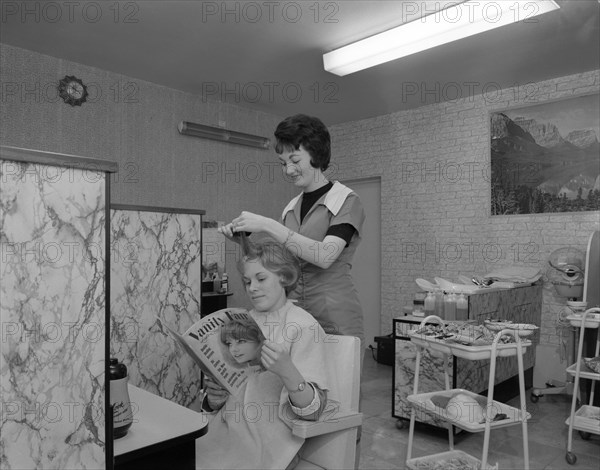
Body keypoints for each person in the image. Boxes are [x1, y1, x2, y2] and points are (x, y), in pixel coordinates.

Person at [219, 113, 366, 347]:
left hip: (334, 311)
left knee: (335, 382)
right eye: (283, 163)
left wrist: (268, 224)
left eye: (295, 161)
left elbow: (324, 256)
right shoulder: (291, 208)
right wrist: (243, 242)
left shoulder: (345, 200)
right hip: (294, 310)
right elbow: (279, 261)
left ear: (316, 154)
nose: (288, 170)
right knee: (298, 380)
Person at [196, 238, 329, 470]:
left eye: (261, 278)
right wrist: (214, 397)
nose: (252, 288)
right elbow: (230, 389)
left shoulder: (303, 326)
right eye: (247, 282)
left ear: (285, 277)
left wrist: (287, 371)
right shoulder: (243, 320)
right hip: (225, 432)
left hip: (268, 444)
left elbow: (313, 411)